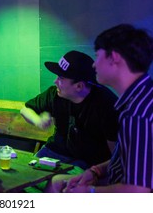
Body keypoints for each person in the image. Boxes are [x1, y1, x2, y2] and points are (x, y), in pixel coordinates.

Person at [49, 24, 153, 193]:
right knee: (57, 182)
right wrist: (95, 171)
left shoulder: (138, 114)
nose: (94, 65)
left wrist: (89, 193)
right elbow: (128, 161)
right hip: (112, 179)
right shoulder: (140, 98)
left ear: (114, 58)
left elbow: (136, 192)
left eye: (98, 56)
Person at [20, 50, 118, 171]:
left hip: (90, 162)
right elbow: (25, 109)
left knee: (60, 185)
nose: (55, 81)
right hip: (55, 152)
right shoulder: (55, 93)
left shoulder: (106, 104)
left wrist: (98, 174)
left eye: (60, 78)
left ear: (79, 86)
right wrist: (38, 121)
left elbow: (117, 155)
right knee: (26, 175)